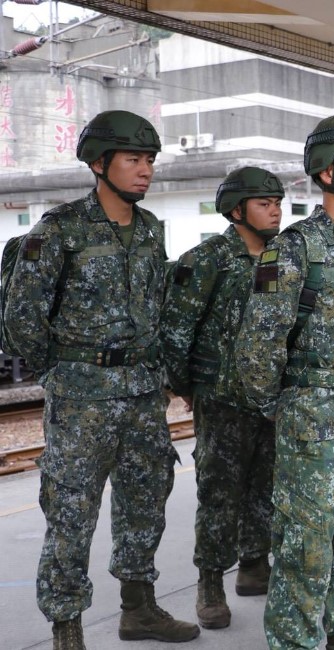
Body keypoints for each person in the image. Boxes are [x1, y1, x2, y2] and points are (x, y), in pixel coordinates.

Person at [3, 110, 199, 647]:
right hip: (82, 400)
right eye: (134, 159)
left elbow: (156, 308)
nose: (145, 171)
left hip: (141, 396)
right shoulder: (59, 230)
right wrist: (64, 372)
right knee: (72, 513)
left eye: (150, 161)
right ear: (98, 163)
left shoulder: (151, 229)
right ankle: (67, 628)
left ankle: (139, 609)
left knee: (145, 504)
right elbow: (21, 320)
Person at [236, 114, 334, 649]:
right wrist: (287, 409)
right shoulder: (293, 250)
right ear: (326, 174)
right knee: (306, 548)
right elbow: (257, 349)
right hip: (315, 424)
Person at [161, 167, 284, 629]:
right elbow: (176, 332)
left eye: (277, 201)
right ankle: (210, 581)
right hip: (223, 399)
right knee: (219, 492)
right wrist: (189, 386)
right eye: (263, 202)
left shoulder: (283, 257)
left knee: (265, 487)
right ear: (236, 210)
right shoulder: (208, 260)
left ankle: (254, 566)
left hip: (271, 397)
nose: (274, 209)